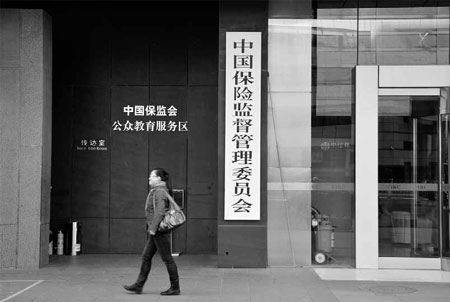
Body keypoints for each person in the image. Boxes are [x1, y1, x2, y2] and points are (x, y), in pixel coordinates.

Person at [123, 168, 180, 296]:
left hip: (159, 231)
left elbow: (159, 212)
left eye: (152, 176)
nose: (149, 178)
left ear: (159, 178)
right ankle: (139, 285)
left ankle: (175, 287)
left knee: (167, 259)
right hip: (156, 231)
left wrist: (153, 229)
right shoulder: (157, 191)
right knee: (146, 256)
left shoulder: (159, 192)